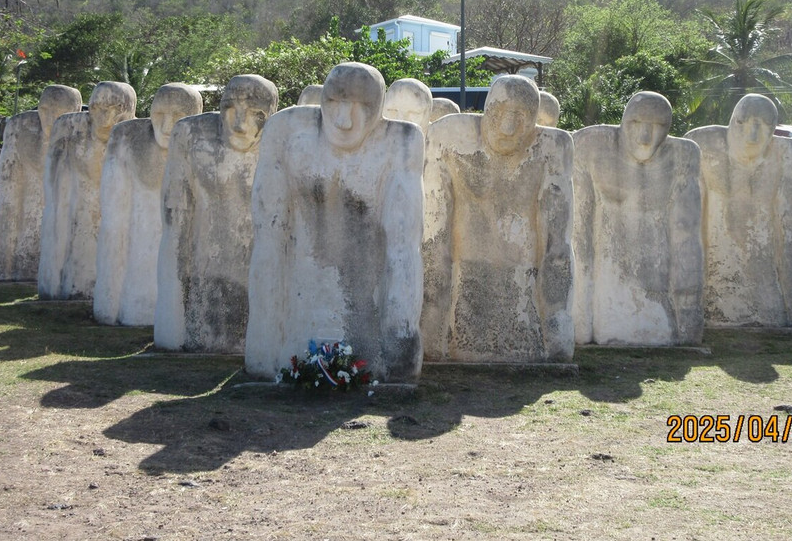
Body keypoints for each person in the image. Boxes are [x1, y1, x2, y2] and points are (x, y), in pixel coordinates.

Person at [245, 63, 425, 382]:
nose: (344, 121)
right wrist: (262, 349)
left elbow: (403, 250)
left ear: (378, 109)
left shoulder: (401, 143)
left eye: (359, 106)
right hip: (300, 309)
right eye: (334, 103)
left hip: (366, 310)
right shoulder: (286, 133)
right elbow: (269, 243)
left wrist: (399, 349)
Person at [421, 75, 575, 362]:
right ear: (486, 109)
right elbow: (434, 237)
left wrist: (557, 318)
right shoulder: (449, 139)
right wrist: (432, 317)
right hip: (463, 292)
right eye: (500, 112)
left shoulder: (552, 149)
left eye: (521, 117)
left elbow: (557, 246)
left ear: (533, 121)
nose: (507, 127)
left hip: (522, 299)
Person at [154, 75, 278, 352]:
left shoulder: (285, 143)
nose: (240, 124)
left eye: (255, 114)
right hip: (204, 284)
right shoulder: (191, 136)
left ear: (270, 115)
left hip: (259, 286)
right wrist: (170, 325)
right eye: (231, 109)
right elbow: (175, 228)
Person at [573, 91, 703, 345]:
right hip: (607, 295)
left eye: (657, 126)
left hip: (658, 295)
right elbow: (580, 236)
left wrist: (689, 315)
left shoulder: (682, 157)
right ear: (624, 122)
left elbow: (686, 237)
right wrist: (581, 319)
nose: (645, 137)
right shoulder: (591, 147)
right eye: (636, 123)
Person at [685, 94, 792, 327]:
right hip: (713, 280)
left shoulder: (785, 155)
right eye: (743, 123)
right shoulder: (703, 144)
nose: (752, 136)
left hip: (764, 286)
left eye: (763, 126)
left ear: (773, 130)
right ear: (733, 122)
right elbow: (688, 225)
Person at [92, 83, 203, 326]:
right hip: (137, 272)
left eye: (178, 117)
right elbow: (113, 223)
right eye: (160, 115)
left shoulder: (206, 150)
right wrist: (107, 303)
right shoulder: (127, 139)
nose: (166, 127)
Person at [38, 81, 135, 299]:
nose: (104, 118)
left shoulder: (137, 140)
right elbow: (55, 196)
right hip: (79, 229)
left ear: (128, 110)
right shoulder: (72, 131)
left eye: (113, 109)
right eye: (97, 108)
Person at [0, 85, 82, 282]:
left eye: (57, 112)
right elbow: (8, 197)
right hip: (27, 218)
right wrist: (4, 266)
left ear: (74, 111)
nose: (48, 118)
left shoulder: (83, 135)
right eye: (44, 110)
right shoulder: (20, 128)